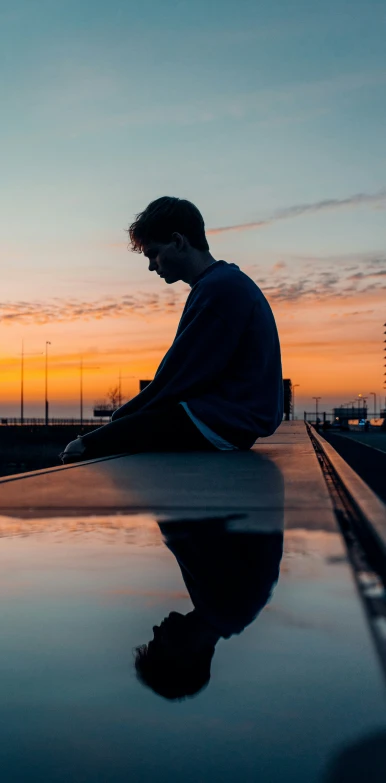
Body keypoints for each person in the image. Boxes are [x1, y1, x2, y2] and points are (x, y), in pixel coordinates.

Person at [60, 196, 283, 463]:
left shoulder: (219, 288)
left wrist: (120, 422)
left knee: (81, 449)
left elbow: (180, 376)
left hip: (222, 421)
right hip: (233, 420)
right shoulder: (224, 282)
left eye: (153, 253)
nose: (152, 265)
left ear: (178, 241)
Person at [134, 514, 284, 700]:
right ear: (182, 656)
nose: (155, 630)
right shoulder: (227, 604)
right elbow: (181, 522)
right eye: (157, 645)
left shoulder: (221, 610)